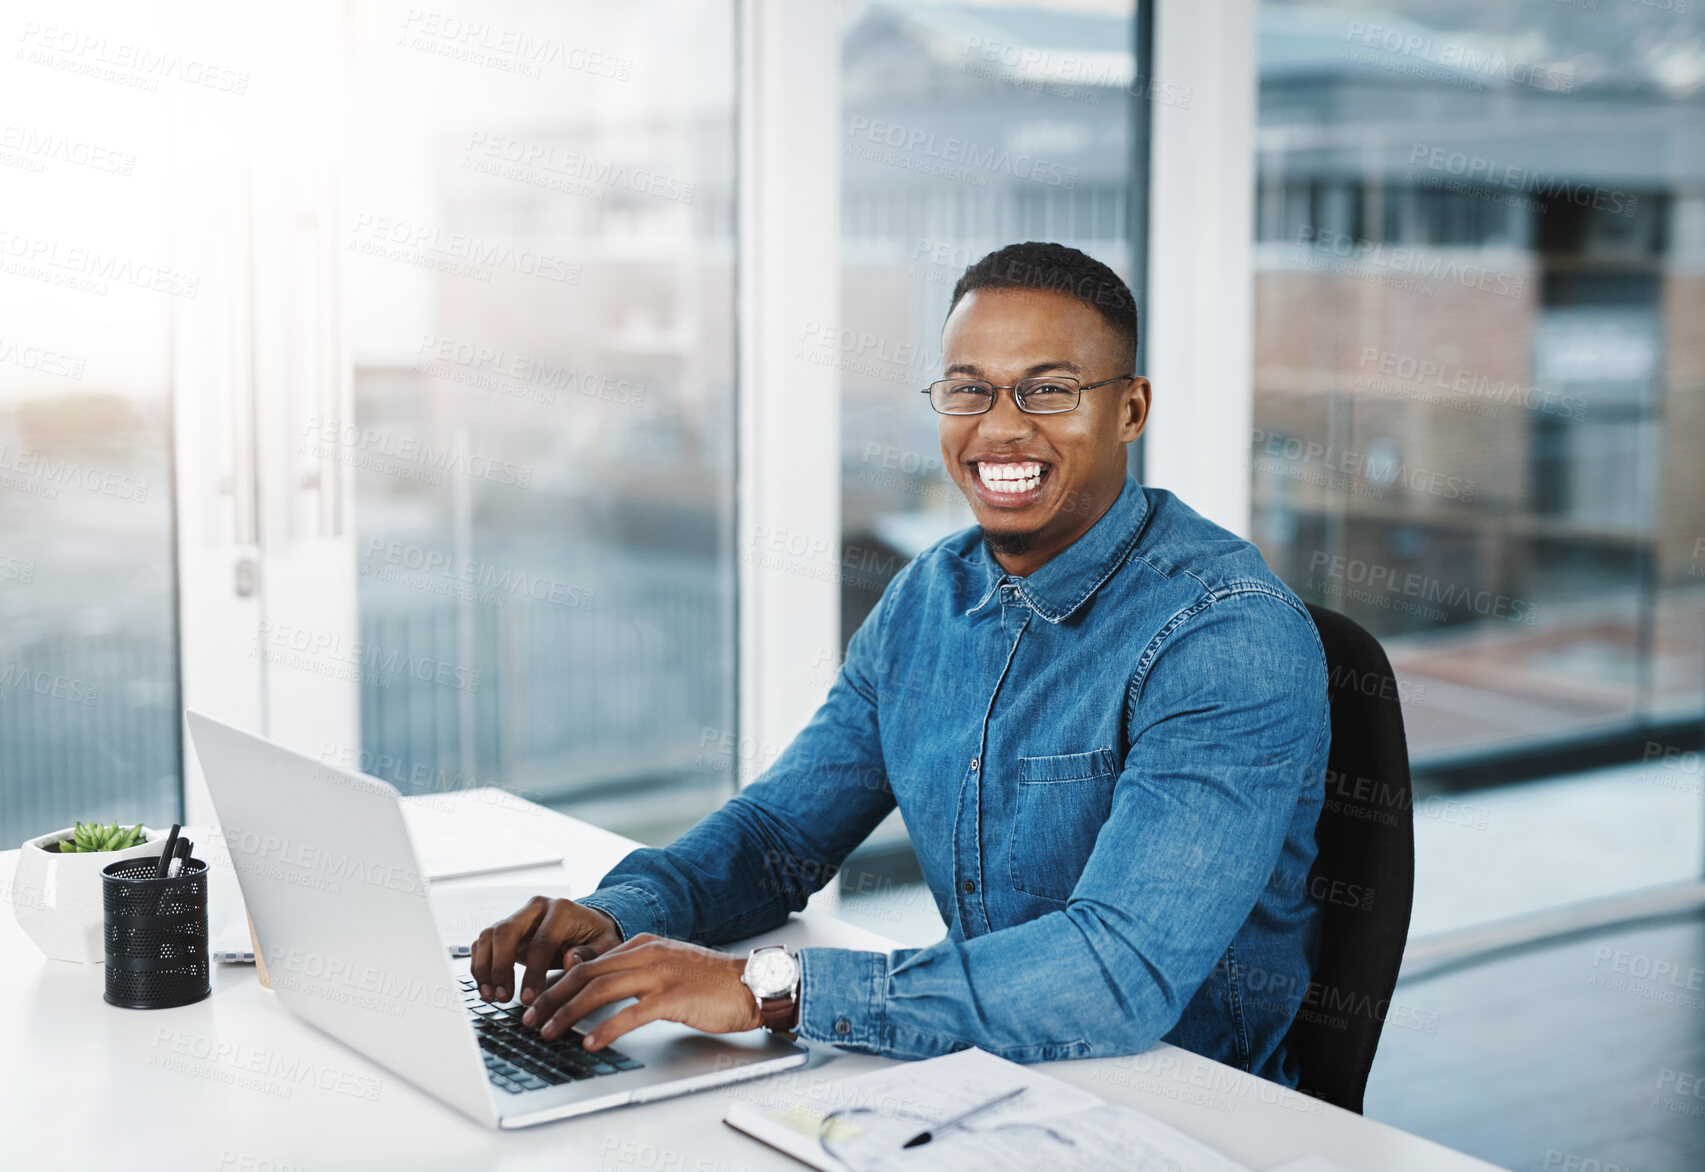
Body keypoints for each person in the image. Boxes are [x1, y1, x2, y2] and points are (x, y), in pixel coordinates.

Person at [471, 241, 1329, 1085]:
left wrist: (763, 989)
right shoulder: (928, 597)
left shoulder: (1226, 639)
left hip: (1186, 1109)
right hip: (988, 1079)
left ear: (1130, 411)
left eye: (1049, 389)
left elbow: (1116, 971)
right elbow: (777, 839)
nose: (999, 427)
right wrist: (617, 917)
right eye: (968, 390)